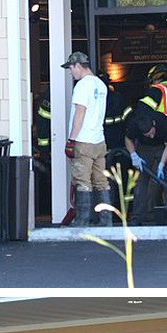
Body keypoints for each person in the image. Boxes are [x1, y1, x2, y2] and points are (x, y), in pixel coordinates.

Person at [62, 50, 110, 226]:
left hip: (83, 141)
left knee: (82, 182)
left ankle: (82, 220)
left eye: (70, 68)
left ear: (77, 65)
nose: (69, 72)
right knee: (101, 182)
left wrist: (71, 141)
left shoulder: (82, 86)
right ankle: (106, 221)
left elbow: (79, 114)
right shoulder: (101, 85)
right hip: (99, 140)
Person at [124, 104, 167, 225]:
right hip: (144, 148)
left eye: (152, 133)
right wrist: (134, 155)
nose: (151, 136)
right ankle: (137, 218)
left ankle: (160, 215)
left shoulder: (163, 122)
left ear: (154, 124)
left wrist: (161, 164)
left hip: (162, 147)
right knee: (140, 182)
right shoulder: (134, 124)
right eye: (148, 135)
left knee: (163, 181)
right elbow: (128, 139)